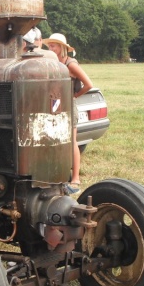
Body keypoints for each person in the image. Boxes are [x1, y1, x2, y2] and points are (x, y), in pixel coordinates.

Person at [44, 33, 94, 194]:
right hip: (56, 104)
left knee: (72, 141)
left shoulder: (70, 64)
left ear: (62, 48)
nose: (50, 48)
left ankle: (76, 177)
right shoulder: (51, 63)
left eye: (54, 46)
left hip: (69, 105)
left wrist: (74, 96)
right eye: (49, 45)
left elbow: (88, 84)